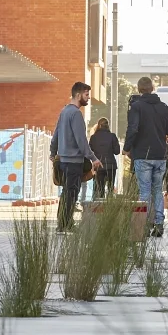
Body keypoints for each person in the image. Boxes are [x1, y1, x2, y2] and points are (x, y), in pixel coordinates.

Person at [123, 75, 168, 237]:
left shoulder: (137, 107)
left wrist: (126, 148)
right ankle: (159, 223)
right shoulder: (163, 107)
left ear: (139, 90)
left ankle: (145, 224)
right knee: (157, 190)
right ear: (153, 89)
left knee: (144, 191)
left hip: (142, 154)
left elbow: (133, 129)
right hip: (160, 155)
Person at [54, 81, 93, 230]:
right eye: (86, 94)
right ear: (78, 95)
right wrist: (93, 158)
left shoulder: (64, 111)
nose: (88, 98)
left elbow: (56, 134)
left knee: (66, 193)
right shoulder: (76, 114)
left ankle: (62, 223)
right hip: (74, 161)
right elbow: (81, 140)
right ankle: (66, 224)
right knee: (72, 193)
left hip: (63, 161)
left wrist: (53, 153)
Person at [90, 116, 120, 199]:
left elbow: (90, 151)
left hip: (98, 166)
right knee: (110, 188)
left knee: (100, 189)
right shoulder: (112, 136)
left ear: (98, 125)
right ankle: (109, 208)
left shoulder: (93, 137)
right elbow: (117, 152)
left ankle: (99, 208)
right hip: (111, 166)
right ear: (108, 125)